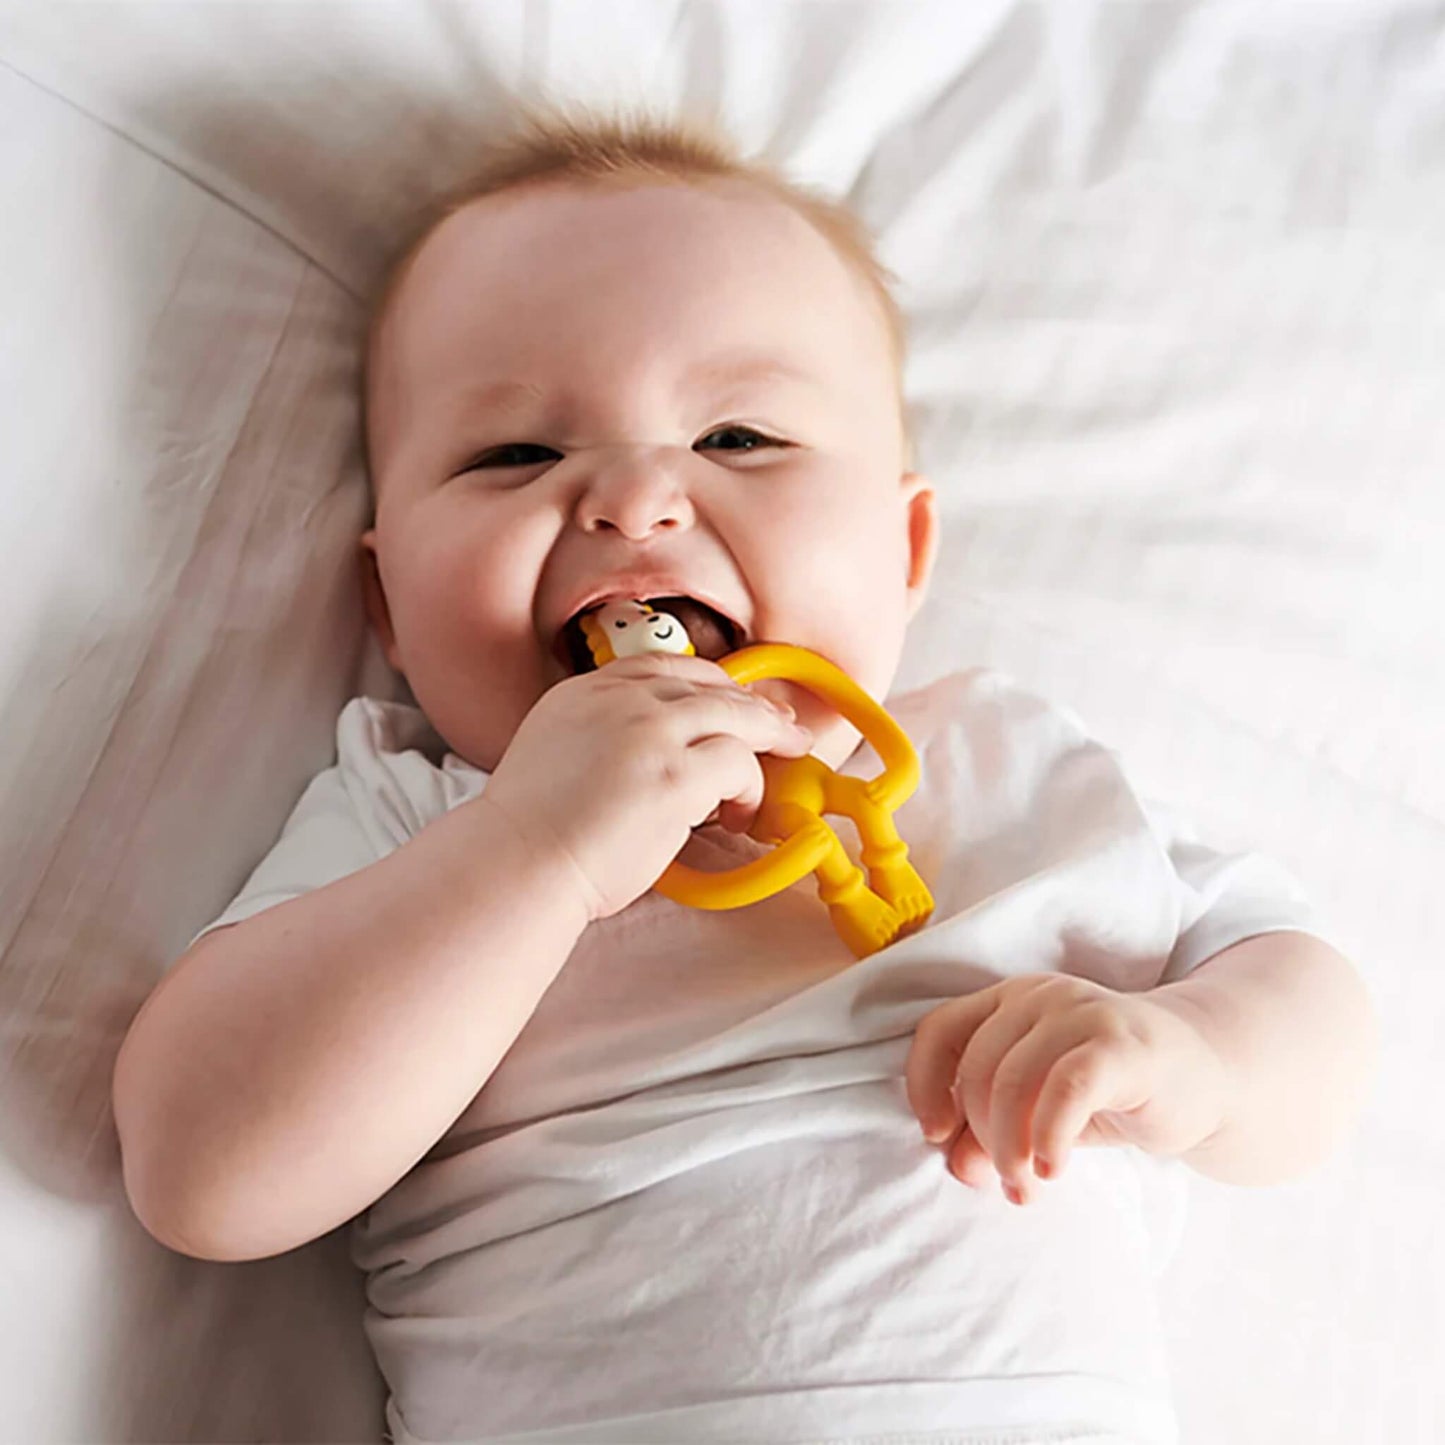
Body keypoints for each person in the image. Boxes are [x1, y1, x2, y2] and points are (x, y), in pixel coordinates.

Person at [112, 107, 1379, 1445]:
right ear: (387, 599)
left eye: (738, 438)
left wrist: (1192, 1055)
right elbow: (202, 1170)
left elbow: (1307, 998)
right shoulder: (417, 821)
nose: (633, 501)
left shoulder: (1010, 769)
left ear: (902, 550)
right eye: (514, 455)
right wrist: (535, 853)